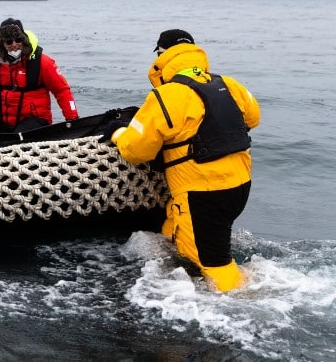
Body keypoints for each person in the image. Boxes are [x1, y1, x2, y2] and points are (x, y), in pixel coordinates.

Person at [102, 29, 261, 292]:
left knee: (214, 264)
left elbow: (136, 151)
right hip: (239, 185)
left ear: (162, 56)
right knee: (173, 230)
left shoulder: (166, 96)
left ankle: (247, 304)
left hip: (203, 195)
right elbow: (253, 118)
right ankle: (179, 269)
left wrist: (118, 132)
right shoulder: (230, 84)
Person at [0, 18, 79, 133]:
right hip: (6, 122)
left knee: (14, 140)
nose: (14, 45)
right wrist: (0, 118)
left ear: (24, 39)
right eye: (9, 41)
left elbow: (62, 91)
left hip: (37, 120)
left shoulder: (42, 62)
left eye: (18, 39)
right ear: (3, 44)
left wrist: (72, 120)